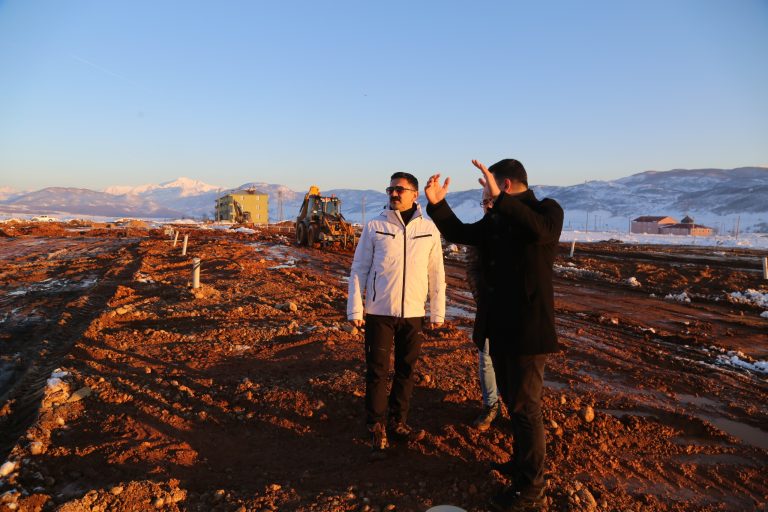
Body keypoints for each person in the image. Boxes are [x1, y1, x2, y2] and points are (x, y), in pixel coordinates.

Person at [424, 159, 563, 512]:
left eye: (488, 187)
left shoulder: (546, 210)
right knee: (513, 405)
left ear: (506, 184)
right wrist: (438, 205)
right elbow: (462, 234)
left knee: (526, 409)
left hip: (529, 330)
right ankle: (520, 467)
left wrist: (499, 200)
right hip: (499, 329)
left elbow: (541, 232)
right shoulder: (497, 218)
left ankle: (532, 489)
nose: (485, 194)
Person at [347, 172, 446, 458]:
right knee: (377, 371)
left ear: (415, 194)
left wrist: (437, 311)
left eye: (400, 189)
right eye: (391, 188)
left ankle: (398, 422)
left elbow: (436, 274)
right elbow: (359, 269)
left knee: (406, 370)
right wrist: (356, 307)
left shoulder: (429, 229)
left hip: (414, 313)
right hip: (379, 311)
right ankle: (375, 424)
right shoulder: (375, 226)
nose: (394, 193)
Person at [466, 189, 501, 432]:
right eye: (484, 202)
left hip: (517, 311)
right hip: (489, 308)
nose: (488, 206)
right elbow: (472, 269)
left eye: (492, 201)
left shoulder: (519, 232)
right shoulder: (479, 232)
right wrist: (482, 299)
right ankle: (491, 405)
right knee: (486, 358)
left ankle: (521, 410)